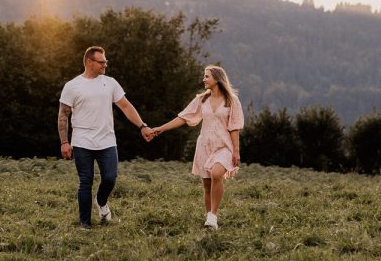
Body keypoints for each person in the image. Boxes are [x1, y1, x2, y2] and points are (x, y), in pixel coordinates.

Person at [58, 46, 154, 229]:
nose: (105, 65)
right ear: (89, 62)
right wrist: (64, 142)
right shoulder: (72, 86)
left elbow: (126, 106)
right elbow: (63, 115)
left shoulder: (110, 83)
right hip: (82, 141)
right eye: (101, 62)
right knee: (85, 181)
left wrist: (142, 125)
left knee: (110, 178)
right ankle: (84, 223)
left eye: (105, 61)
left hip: (107, 141)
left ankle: (101, 202)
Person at [150, 65, 244, 229]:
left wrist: (236, 151)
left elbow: (234, 127)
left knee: (216, 174)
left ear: (217, 78)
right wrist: (160, 128)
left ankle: (214, 215)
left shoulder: (231, 101)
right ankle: (209, 218)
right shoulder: (202, 99)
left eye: (207, 76)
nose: (204, 79)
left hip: (224, 146)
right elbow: (183, 118)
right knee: (206, 185)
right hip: (204, 145)